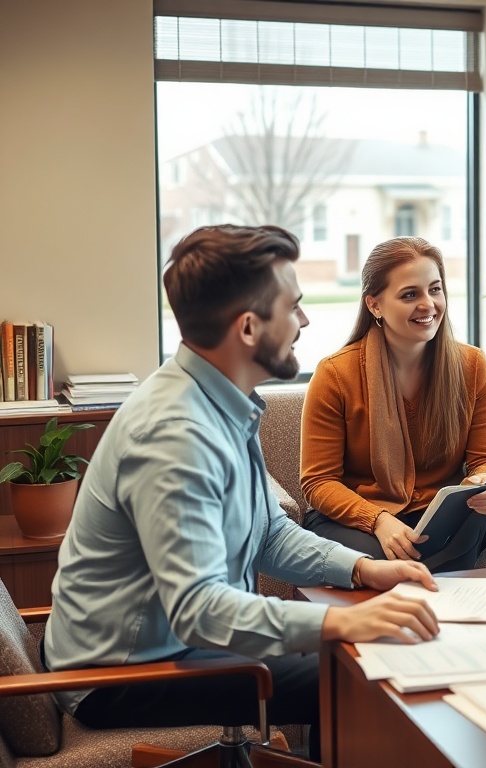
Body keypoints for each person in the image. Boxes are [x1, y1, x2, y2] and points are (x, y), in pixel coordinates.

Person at [43, 225, 440, 763]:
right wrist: (339, 620)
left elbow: (267, 531)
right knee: (353, 672)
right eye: (293, 308)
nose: (304, 321)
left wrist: (361, 569)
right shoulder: (176, 433)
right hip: (124, 672)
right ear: (250, 326)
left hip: (167, 644)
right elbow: (199, 609)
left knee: (349, 656)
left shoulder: (222, 400)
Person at [301, 236, 486, 572]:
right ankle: (437, 587)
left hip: (439, 516)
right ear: (375, 305)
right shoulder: (334, 374)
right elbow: (318, 482)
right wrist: (378, 521)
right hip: (355, 519)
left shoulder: (473, 367)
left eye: (435, 289)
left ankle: (436, 593)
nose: (428, 304)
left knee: (483, 510)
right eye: (410, 294)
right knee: (381, 563)